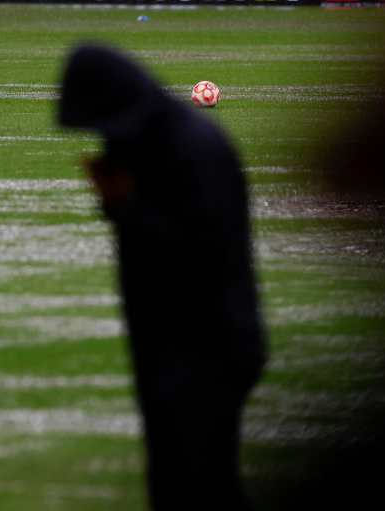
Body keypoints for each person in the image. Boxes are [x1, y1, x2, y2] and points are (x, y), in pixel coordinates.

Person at [58, 44, 266, 510]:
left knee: (200, 485)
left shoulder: (193, 148)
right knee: (177, 483)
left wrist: (125, 206)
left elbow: (201, 253)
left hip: (209, 344)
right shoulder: (143, 142)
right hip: (167, 344)